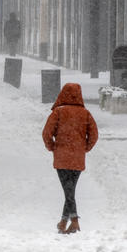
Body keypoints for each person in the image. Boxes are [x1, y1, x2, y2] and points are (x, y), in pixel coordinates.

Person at [42, 83, 98, 234]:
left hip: (61, 157)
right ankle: (63, 222)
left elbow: (47, 133)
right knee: (70, 190)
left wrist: (52, 146)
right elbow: (94, 135)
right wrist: (85, 147)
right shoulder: (85, 113)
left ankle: (74, 222)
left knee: (68, 191)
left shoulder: (58, 112)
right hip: (77, 159)